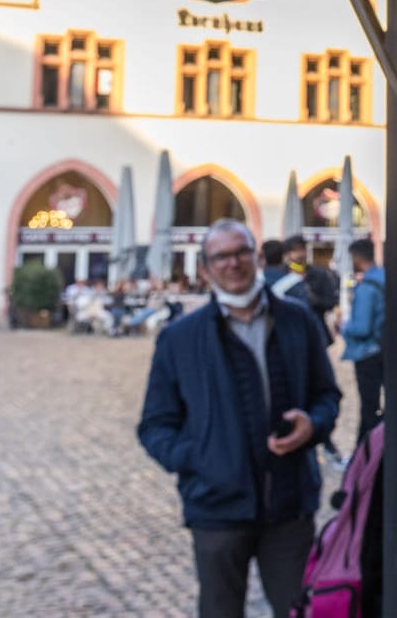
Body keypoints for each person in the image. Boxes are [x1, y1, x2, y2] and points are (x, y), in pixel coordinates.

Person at [138, 218, 341, 618]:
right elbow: (155, 426)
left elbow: (327, 396)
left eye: (240, 252)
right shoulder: (180, 338)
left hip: (289, 506)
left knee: (298, 611)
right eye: (220, 256)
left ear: (257, 257)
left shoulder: (298, 320)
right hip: (216, 510)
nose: (232, 263)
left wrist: (313, 424)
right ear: (205, 268)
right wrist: (199, 460)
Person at [339, 239, 385, 445]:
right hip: (384, 349)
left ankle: (364, 454)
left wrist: (342, 326)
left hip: (368, 353)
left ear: (356, 257)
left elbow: (361, 328)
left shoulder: (367, 286)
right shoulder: (384, 278)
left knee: (369, 408)